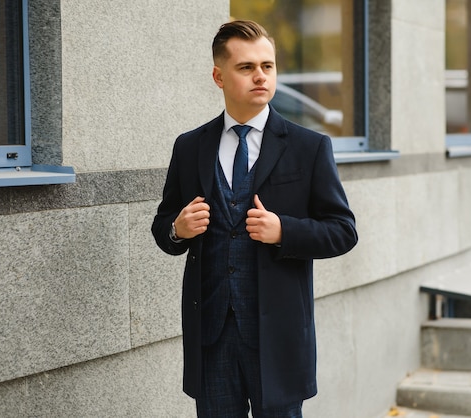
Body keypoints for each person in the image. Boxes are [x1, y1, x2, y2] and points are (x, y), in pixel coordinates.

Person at [152, 20, 357, 418]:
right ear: (219, 76)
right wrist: (177, 230)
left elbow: (343, 231)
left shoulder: (309, 147)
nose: (260, 76)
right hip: (211, 338)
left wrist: (285, 231)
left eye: (268, 66)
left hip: (276, 337)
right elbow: (163, 225)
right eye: (246, 67)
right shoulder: (190, 146)